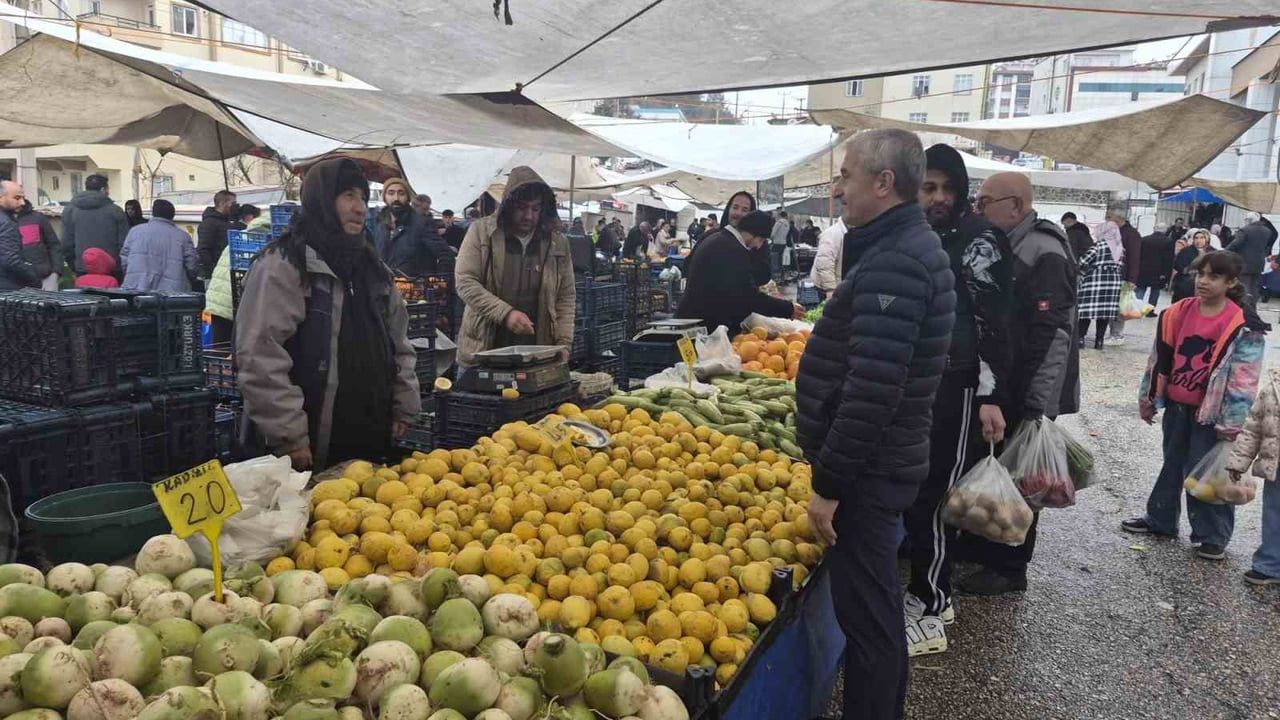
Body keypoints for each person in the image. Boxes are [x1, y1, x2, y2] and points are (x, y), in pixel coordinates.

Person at [794, 129, 956, 720]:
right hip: (881, 462)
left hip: (869, 470)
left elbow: (872, 391)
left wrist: (830, 484)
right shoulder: (900, 248)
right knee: (874, 610)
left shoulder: (900, 261)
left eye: (846, 176)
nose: (838, 189)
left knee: (870, 620)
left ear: (883, 183)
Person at [235, 158, 421, 471]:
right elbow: (259, 355)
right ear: (321, 198)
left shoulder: (374, 269)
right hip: (311, 441)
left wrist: (405, 404)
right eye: (348, 195)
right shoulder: (285, 265)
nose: (360, 207)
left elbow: (399, 343)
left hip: (368, 434)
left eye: (363, 197)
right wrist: (290, 434)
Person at [902, 144, 1014, 657]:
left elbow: (994, 323)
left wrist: (992, 394)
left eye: (948, 188)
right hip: (922, 382)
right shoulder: (920, 236)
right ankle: (932, 594)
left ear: (963, 192)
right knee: (920, 491)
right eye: (929, 187)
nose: (939, 197)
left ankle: (930, 608)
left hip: (960, 384)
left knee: (936, 495)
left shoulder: (979, 241)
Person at [963, 171, 1079, 595]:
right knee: (991, 464)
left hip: (1026, 387)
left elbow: (1055, 332)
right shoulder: (1003, 245)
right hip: (1002, 382)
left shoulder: (1043, 250)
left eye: (984, 202)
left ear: (1015, 206)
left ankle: (1010, 566)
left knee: (1020, 476)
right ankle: (982, 547)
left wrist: (1036, 403)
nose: (978, 210)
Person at [1126, 251, 1266, 561]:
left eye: (1213, 276)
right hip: (1178, 405)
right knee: (1172, 463)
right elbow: (1158, 360)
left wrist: (1232, 423)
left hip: (1213, 413)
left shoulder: (1243, 323)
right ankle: (1161, 519)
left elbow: (1245, 379)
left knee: (1207, 475)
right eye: (1200, 274)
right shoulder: (1177, 313)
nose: (1203, 281)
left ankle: (1212, 535)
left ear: (1231, 282)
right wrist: (1148, 398)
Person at [454, 166, 576, 369]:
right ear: (508, 205)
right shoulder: (482, 232)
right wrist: (505, 314)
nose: (528, 216)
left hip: (537, 353)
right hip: (483, 351)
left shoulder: (557, 243)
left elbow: (566, 296)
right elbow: (465, 282)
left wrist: (564, 343)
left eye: (535, 209)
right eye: (522, 207)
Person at [674, 210, 804, 334]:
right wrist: (787, 309)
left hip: (692, 320)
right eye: (762, 240)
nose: (758, 247)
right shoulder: (733, 250)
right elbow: (748, 297)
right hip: (698, 325)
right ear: (754, 234)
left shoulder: (720, 239)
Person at [1225, 364, 1280, 584]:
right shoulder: (1274, 385)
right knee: (1274, 515)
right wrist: (1239, 462)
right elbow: (1253, 427)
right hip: (1277, 465)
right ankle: (1270, 564)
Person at [206, 209, 271, 345]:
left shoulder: (240, 237)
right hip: (234, 305)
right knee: (234, 351)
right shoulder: (269, 243)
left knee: (219, 351)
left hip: (217, 302)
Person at [374, 178, 453, 278]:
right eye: (391, 193)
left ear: (408, 198)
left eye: (401, 193)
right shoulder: (379, 224)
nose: (396, 198)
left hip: (415, 290)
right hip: (386, 289)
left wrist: (437, 284)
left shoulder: (421, 224)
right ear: (384, 197)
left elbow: (446, 255)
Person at [120, 199, 197, 292]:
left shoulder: (134, 232)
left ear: (154, 213)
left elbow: (124, 260)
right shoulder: (183, 236)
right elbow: (192, 266)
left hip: (137, 287)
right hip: (172, 293)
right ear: (172, 215)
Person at [63, 174, 128, 277]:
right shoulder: (116, 211)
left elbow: (67, 243)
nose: (109, 192)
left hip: (83, 267)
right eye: (108, 189)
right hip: (112, 269)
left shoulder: (70, 210)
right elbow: (124, 244)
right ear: (103, 189)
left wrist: (74, 265)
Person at [1076, 221, 1125, 350]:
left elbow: (1082, 261)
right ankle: (1099, 341)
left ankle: (1080, 339)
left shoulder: (1098, 246)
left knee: (1085, 311)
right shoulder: (1119, 248)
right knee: (1104, 313)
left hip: (1095, 280)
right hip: (1113, 282)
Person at [1225, 211, 1278, 309]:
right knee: (1254, 287)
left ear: (1248, 220)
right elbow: (1268, 244)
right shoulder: (1267, 231)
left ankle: (1245, 309)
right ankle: (1253, 308)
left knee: (1244, 286)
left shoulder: (1245, 230)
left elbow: (1236, 244)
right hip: (1259, 263)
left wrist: (1224, 251)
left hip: (1245, 262)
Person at [1107, 208, 1142, 346]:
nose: (1107, 220)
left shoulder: (1131, 234)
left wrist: (1132, 279)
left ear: (1118, 218)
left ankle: (1117, 334)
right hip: (1112, 275)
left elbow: (1134, 257)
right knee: (1112, 306)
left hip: (1124, 276)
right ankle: (1113, 332)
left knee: (1120, 307)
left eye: (1109, 217)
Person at [15, 197, 61, 290]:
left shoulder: (38, 218)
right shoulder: (4, 221)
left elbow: (54, 245)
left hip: (44, 280)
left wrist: (55, 273)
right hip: (13, 283)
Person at [0, 181, 39, 291]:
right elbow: (10, 260)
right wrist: (34, 279)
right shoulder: (6, 223)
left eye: (23, 198)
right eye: (17, 198)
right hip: (7, 288)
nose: (22, 202)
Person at [196, 190, 237, 281]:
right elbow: (203, 249)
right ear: (222, 203)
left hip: (227, 271)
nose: (235, 206)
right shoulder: (209, 223)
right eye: (233, 203)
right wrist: (214, 269)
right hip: (216, 274)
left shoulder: (228, 222)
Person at [1135, 223, 1175, 309]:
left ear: (1154, 228)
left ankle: (1137, 308)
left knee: (1141, 289)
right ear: (1165, 230)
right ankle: (1149, 310)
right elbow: (1168, 259)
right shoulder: (1168, 242)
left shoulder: (1144, 239)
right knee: (1155, 291)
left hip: (1143, 269)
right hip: (1158, 271)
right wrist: (1165, 273)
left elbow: (1138, 255)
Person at [1172, 229, 1212, 302]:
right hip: (1186, 285)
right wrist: (1187, 270)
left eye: (1202, 237)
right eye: (1196, 238)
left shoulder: (1212, 252)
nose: (1198, 240)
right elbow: (1177, 265)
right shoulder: (1186, 251)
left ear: (1207, 239)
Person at [810, 218, 847, 294]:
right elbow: (824, 264)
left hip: (840, 284)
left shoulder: (851, 232)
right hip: (827, 286)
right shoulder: (832, 234)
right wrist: (831, 289)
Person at [769, 210, 791, 278]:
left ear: (780, 215)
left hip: (776, 243)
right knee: (780, 259)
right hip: (783, 243)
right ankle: (781, 274)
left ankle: (775, 275)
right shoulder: (787, 224)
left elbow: (773, 233)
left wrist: (770, 239)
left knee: (774, 259)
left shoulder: (779, 222)